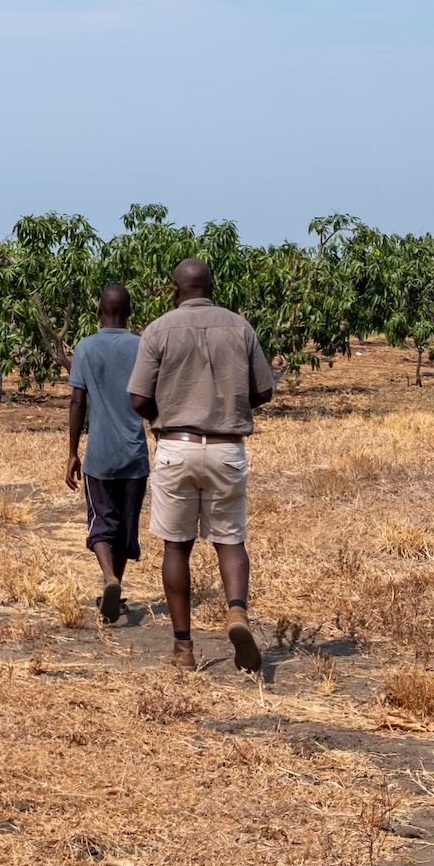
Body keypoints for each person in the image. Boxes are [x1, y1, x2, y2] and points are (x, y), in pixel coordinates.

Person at [126, 258, 275, 672]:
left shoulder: (157, 330)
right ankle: (237, 613)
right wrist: (230, 399)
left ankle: (183, 649)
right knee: (230, 539)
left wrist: (170, 406)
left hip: (177, 445)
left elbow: (138, 399)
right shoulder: (240, 327)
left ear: (174, 288)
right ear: (212, 285)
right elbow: (264, 390)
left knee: (176, 546)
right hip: (227, 447)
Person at [65, 283, 149, 624]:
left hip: (99, 454)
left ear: (99, 311)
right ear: (129, 313)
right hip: (135, 454)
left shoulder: (85, 347)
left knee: (101, 522)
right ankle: (116, 584)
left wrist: (72, 452)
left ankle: (109, 580)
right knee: (126, 527)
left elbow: (77, 401)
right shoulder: (142, 346)